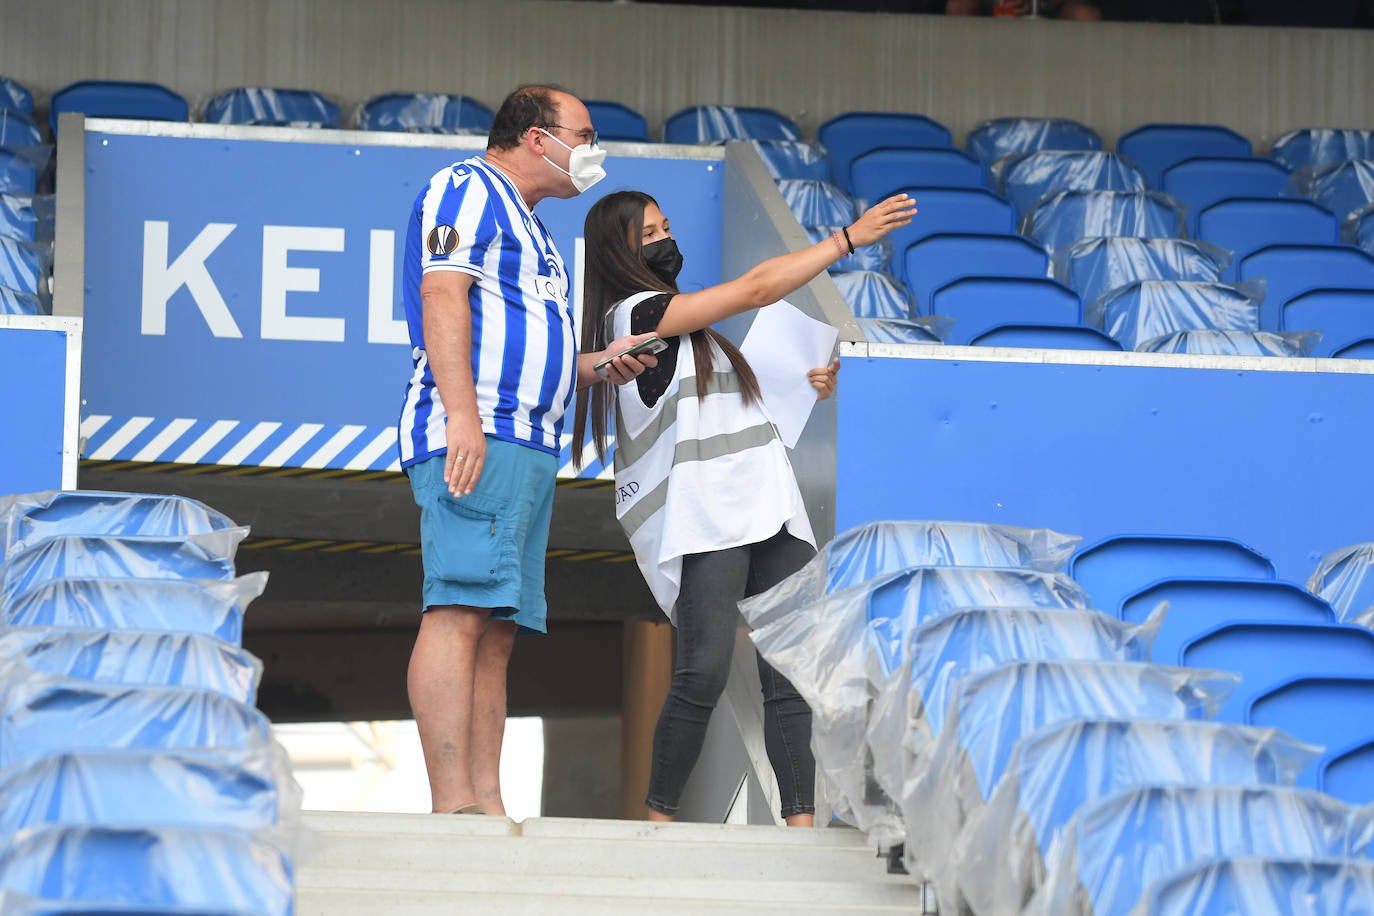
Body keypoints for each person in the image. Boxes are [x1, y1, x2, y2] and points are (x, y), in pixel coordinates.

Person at [574, 189, 917, 824]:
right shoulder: (634, 314)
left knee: (791, 671)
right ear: (619, 251)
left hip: (768, 504)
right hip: (707, 514)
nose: (665, 240)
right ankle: (654, 825)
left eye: (667, 225)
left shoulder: (696, 333)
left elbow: (738, 410)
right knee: (700, 673)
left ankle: (800, 826)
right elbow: (759, 288)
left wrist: (804, 383)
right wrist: (847, 240)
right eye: (649, 232)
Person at [397, 84, 659, 817]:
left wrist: (599, 363)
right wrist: (461, 417)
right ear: (538, 138)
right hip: (481, 429)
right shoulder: (467, 187)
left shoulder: (534, 226)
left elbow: (534, 344)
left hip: (529, 440)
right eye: (584, 133)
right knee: (458, 609)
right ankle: (453, 804)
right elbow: (442, 294)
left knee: (497, 628)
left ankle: (485, 800)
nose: (591, 150)